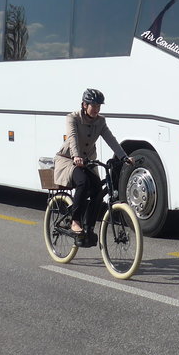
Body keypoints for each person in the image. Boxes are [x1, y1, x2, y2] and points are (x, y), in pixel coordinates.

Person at [53, 88, 130, 246]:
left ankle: (88, 227)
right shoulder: (72, 118)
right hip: (68, 160)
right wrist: (76, 156)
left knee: (97, 190)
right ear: (84, 105)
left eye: (99, 106)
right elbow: (73, 137)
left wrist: (124, 156)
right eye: (93, 106)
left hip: (86, 161)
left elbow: (111, 139)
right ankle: (75, 220)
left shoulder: (100, 121)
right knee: (83, 182)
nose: (96, 109)